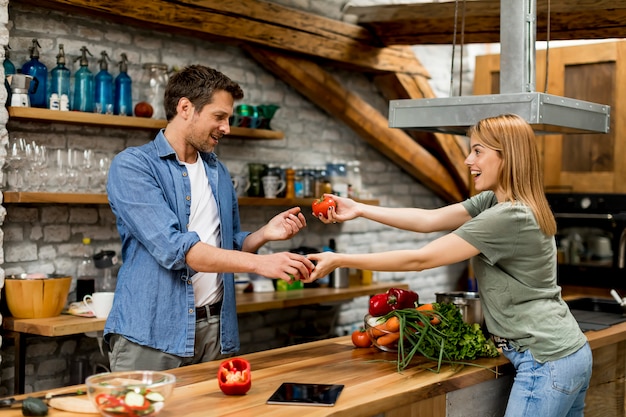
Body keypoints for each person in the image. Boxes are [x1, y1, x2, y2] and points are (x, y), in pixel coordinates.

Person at [307, 114, 592, 417]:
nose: (469, 160)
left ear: (506, 157)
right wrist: (361, 209)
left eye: (478, 151)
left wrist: (340, 260)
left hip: (544, 362)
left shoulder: (508, 217)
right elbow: (428, 220)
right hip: (565, 353)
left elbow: (421, 259)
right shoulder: (496, 202)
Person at [104, 65, 314, 372]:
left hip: (214, 330)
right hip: (152, 334)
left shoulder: (217, 171)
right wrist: (262, 264)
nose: (227, 127)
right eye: (219, 116)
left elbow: (227, 246)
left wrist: (264, 234)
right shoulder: (133, 166)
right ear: (185, 108)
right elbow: (178, 250)